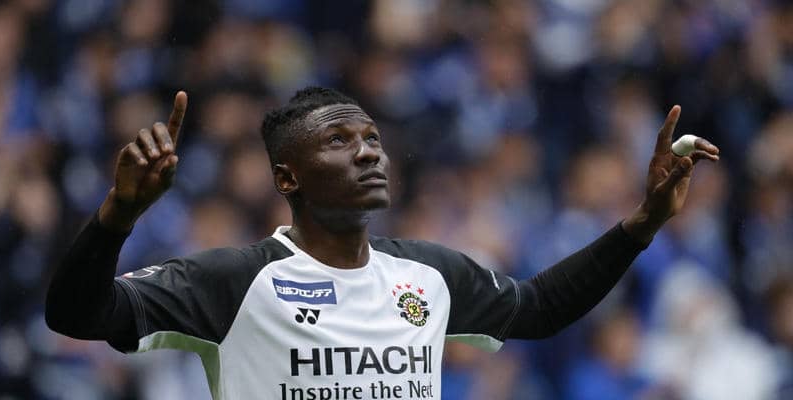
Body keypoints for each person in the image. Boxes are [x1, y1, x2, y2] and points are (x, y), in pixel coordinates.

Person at [45, 87, 720, 399]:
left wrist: (642, 224)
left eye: (372, 138)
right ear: (288, 177)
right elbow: (77, 314)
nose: (369, 152)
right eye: (339, 140)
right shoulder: (232, 282)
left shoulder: (426, 276)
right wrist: (117, 215)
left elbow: (539, 308)